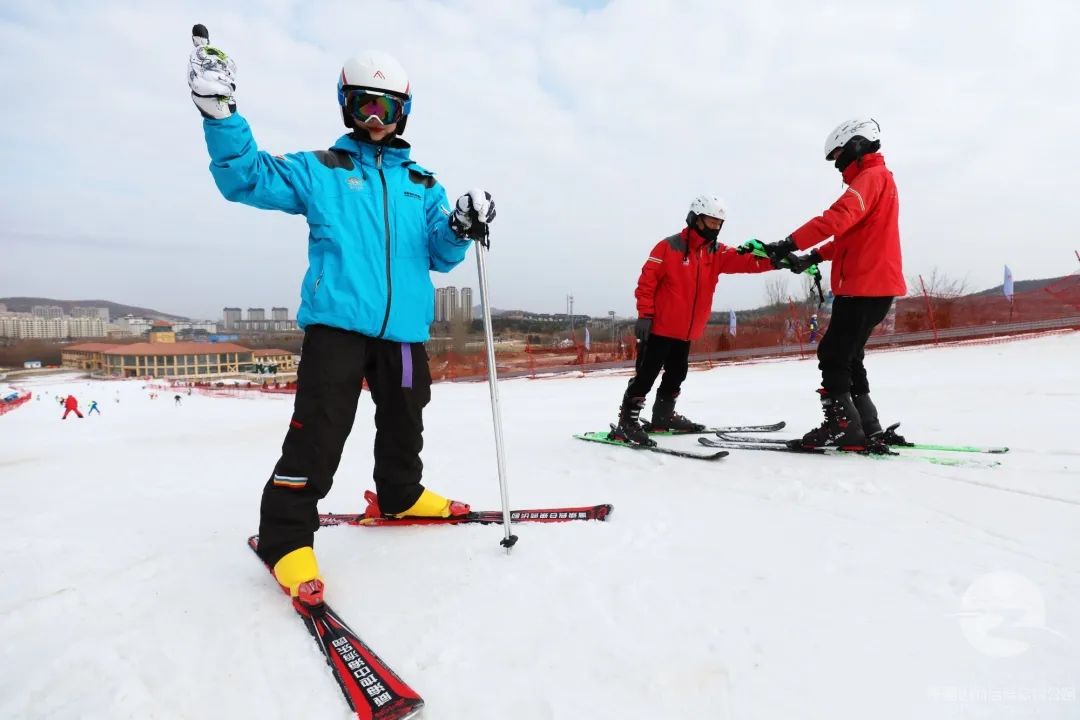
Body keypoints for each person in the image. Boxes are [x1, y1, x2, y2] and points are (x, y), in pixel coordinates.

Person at [190, 35, 495, 606]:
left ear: (403, 111)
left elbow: (441, 254)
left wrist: (459, 225)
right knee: (321, 428)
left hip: (404, 333)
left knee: (406, 419)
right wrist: (220, 115)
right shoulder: (322, 170)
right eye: (362, 106)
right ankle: (285, 538)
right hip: (338, 327)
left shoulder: (422, 184)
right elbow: (246, 178)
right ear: (345, 107)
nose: (374, 119)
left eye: (385, 107)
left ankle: (400, 494)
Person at [760, 118, 905, 449]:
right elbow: (850, 237)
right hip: (875, 285)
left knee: (833, 355)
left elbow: (836, 219)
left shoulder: (871, 178)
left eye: (839, 155)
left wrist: (788, 243)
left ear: (856, 145)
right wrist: (812, 256)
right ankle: (867, 424)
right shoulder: (880, 179)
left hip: (863, 285)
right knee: (850, 355)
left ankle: (843, 427)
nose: (837, 164)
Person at [610, 195, 777, 446]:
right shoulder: (668, 247)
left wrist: (779, 260)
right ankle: (627, 423)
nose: (715, 227)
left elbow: (748, 261)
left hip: (686, 331)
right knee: (647, 374)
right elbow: (646, 282)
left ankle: (663, 416)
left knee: (677, 373)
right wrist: (645, 315)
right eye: (711, 221)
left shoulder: (716, 252)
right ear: (695, 219)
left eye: (719, 223)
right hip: (659, 327)